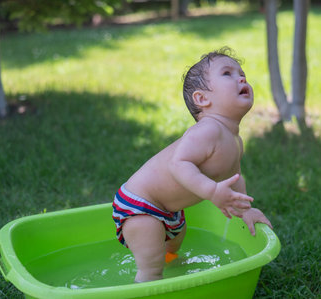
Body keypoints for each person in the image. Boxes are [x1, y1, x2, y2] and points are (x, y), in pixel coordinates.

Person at [112, 47, 273, 283]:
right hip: (141, 205)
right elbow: (179, 164)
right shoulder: (208, 130)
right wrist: (212, 191)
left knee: (171, 253)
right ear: (202, 99)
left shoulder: (235, 140)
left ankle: (179, 281)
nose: (241, 77)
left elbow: (235, 177)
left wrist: (245, 209)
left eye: (241, 73)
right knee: (151, 266)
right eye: (227, 73)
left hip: (171, 211)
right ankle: (146, 286)